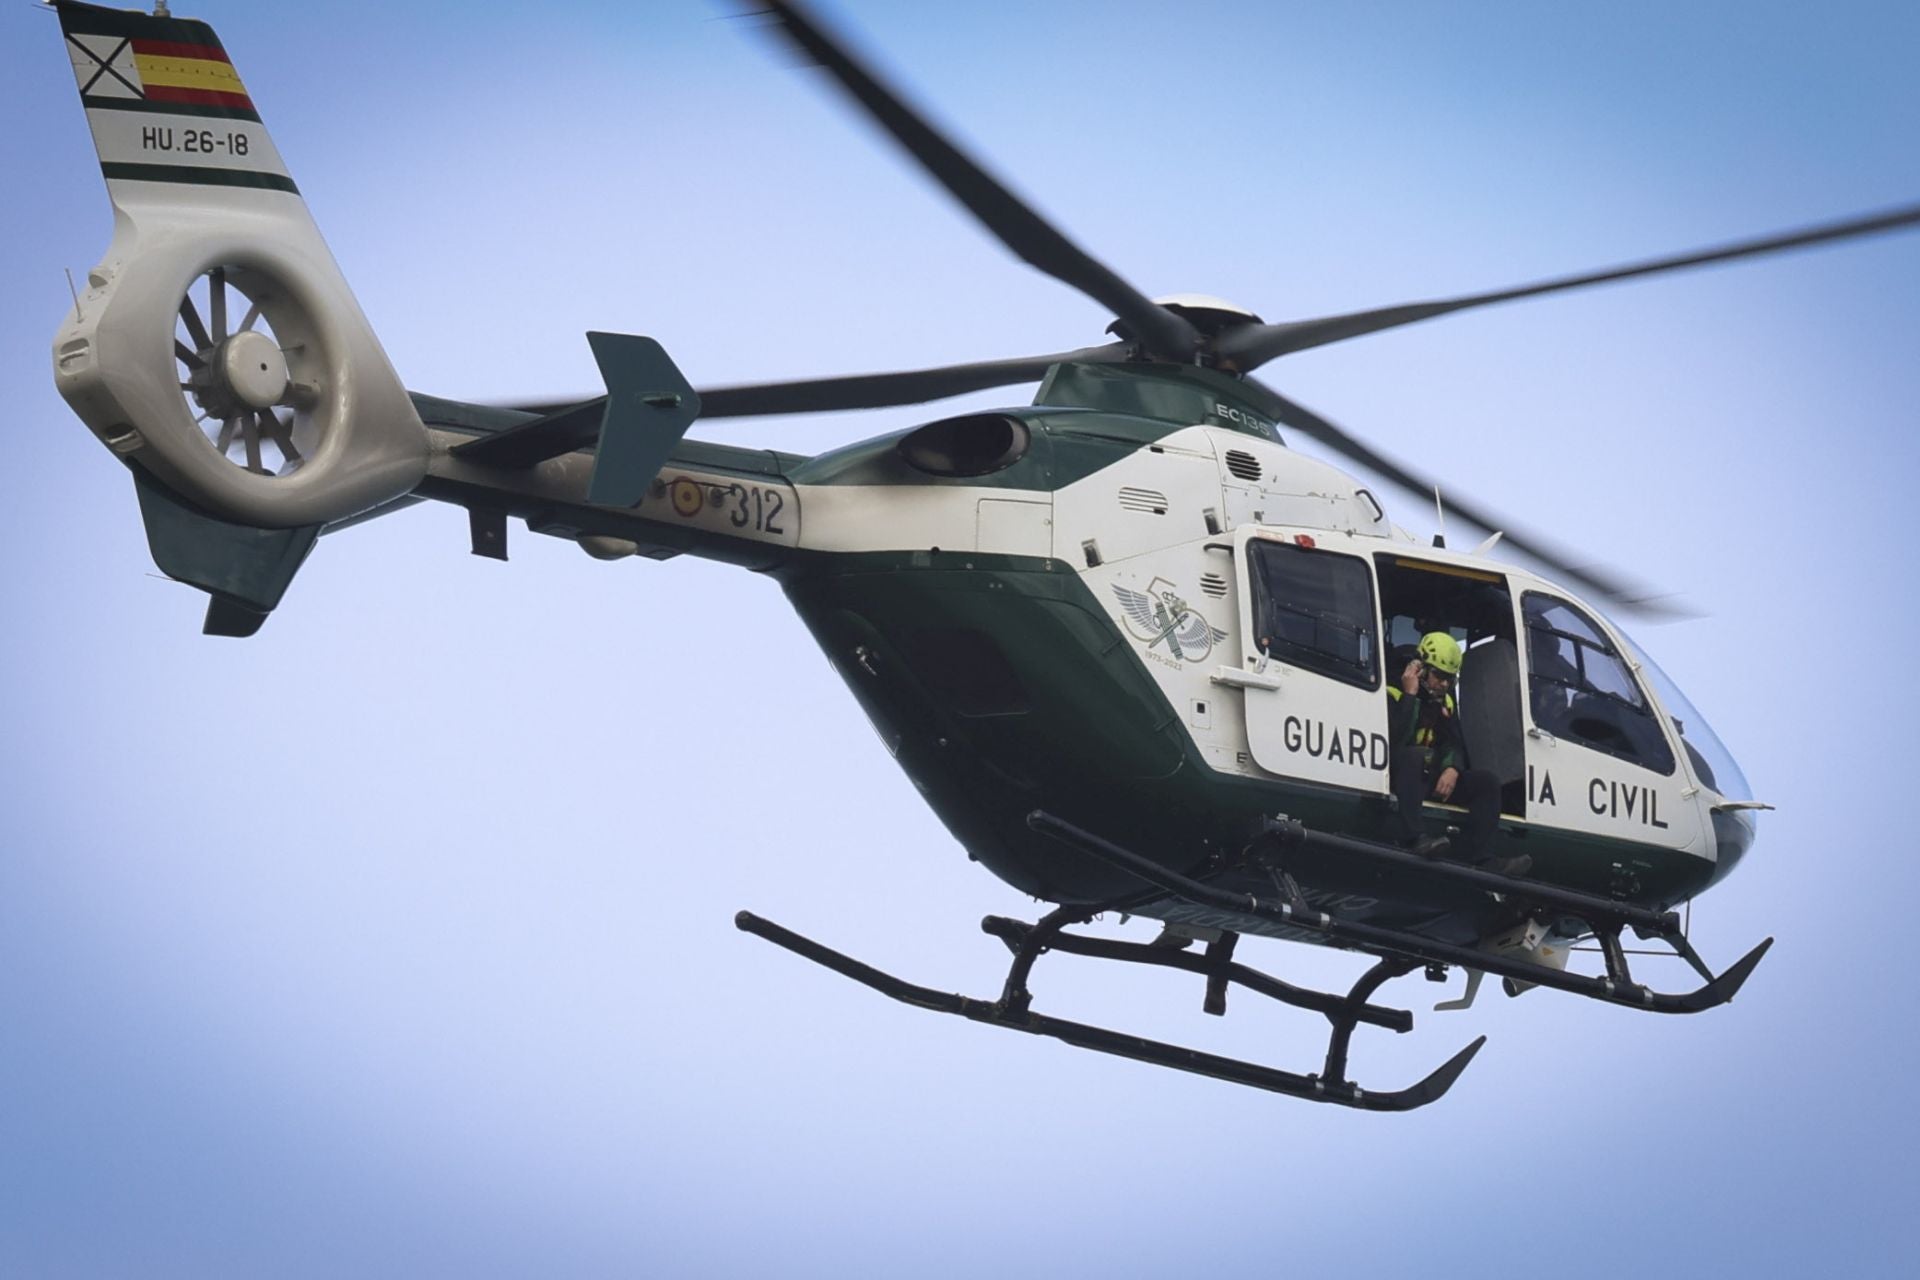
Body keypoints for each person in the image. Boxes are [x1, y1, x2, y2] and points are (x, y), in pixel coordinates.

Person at [1386, 631, 1531, 877]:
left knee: (1487, 782)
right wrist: (1410, 696)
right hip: (1400, 771)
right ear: (1419, 668)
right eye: (1439, 676)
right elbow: (1395, 738)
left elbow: (1454, 743)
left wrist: (1452, 768)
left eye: (1449, 680)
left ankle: (1483, 858)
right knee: (1416, 755)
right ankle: (1415, 838)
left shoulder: (1446, 703)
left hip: (1429, 775)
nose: (1444, 684)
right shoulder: (1394, 692)